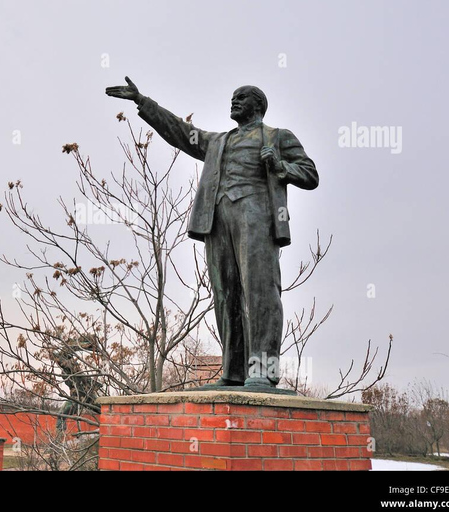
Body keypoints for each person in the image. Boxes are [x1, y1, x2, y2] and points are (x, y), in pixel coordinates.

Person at [105, 78, 318, 388]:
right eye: (232, 97)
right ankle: (233, 371)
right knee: (225, 294)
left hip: (256, 216)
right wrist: (143, 102)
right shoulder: (217, 142)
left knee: (260, 292)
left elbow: (310, 174)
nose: (234, 101)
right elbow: (179, 131)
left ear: (257, 105)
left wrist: (280, 165)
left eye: (241, 97)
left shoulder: (277, 136)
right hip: (217, 219)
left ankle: (263, 371)